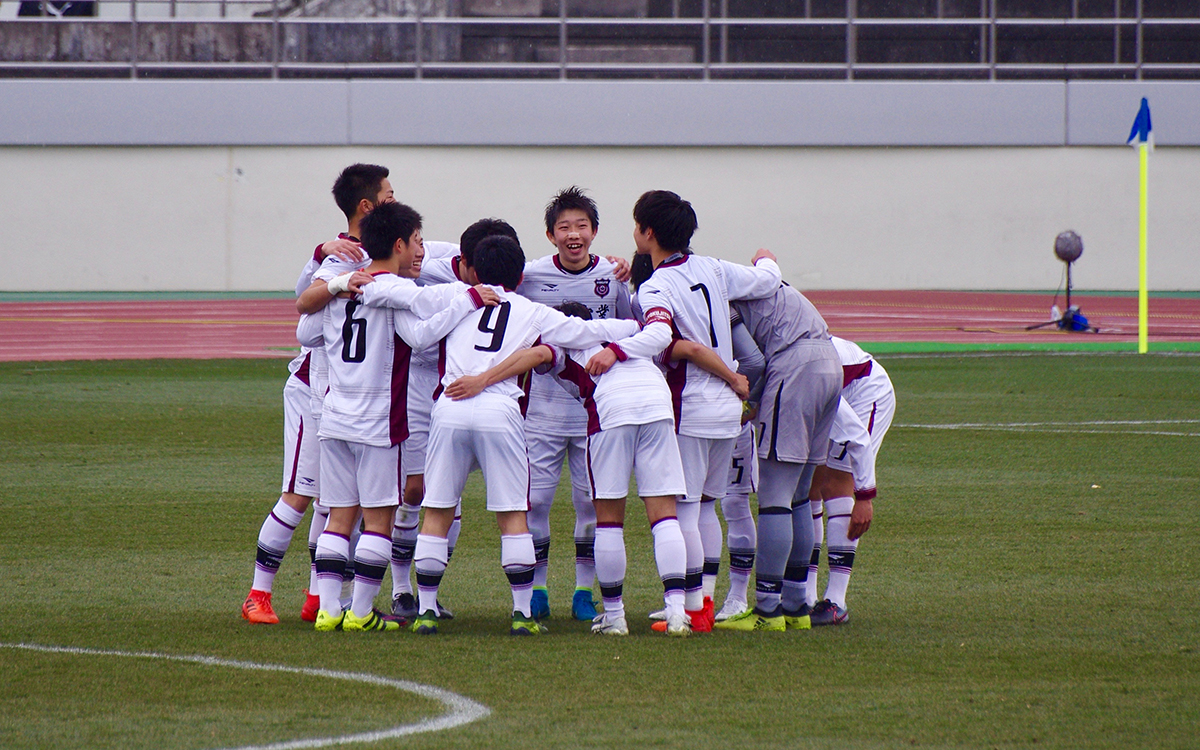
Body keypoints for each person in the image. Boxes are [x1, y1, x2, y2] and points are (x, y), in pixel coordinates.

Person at [403, 234, 639, 636]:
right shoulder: (533, 310)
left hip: (449, 406)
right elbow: (592, 331)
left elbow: (414, 325)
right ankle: (522, 614)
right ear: (521, 274)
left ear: (474, 270)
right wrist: (640, 323)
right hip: (501, 409)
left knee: (438, 509)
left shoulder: (457, 297)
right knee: (513, 514)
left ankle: (425, 610)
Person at [298, 201, 498, 633]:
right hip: (376, 420)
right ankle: (363, 613)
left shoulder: (346, 285)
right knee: (378, 518)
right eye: (418, 242)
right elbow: (423, 333)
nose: (421, 251)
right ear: (399, 245)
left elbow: (305, 333)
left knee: (339, 515)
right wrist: (467, 300)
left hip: (334, 415)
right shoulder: (391, 290)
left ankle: (330, 609)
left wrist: (335, 291)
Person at [587, 190, 781, 633]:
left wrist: (617, 351)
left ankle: (693, 608)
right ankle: (705, 602)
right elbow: (766, 281)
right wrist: (767, 259)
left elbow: (667, 339)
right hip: (728, 408)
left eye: (636, 224)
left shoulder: (657, 285)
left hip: (693, 402)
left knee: (687, 511)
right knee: (709, 507)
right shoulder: (712, 267)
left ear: (648, 233)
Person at [443, 300, 694, 636]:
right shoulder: (623, 327)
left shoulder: (558, 342)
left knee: (608, 520)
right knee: (664, 515)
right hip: (657, 404)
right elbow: (660, 335)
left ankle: (616, 616)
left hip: (611, 409)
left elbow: (534, 356)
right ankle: (677, 612)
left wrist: (484, 378)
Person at [240, 163, 385, 625]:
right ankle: (257, 595)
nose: (394, 199)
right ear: (368, 205)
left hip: (348, 397)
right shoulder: (341, 257)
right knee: (300, 496)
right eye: (389, 193)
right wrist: (329, 266)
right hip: (313, 393)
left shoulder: (380, 251)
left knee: (341, 502)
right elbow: (304, 311)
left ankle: (319, 598)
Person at [387, 218, 521, 619]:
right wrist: (322, 253)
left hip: (465, 392)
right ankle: (400, 589)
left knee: (450, 495)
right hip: (416, 386)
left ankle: (429, 593)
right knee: (414, 490)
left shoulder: (505, 279)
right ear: (467, 263)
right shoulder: (428, 266)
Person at [514, 186, 635, 622]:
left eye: (581, 226)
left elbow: (633, 326)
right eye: (564, 227)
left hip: (594, 413)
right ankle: (538, 588)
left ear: (595, 232)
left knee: (591, 506)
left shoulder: (613, 276)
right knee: (536, 504)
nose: (573, 234)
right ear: (550, 235)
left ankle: (584, 591)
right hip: (542, 412)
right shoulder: (529, 277)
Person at [713, 281, 842, 632]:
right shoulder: (745, 279)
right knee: (799, 495)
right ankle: (796, 606)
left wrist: (749, 403)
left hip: (795, 366)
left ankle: (768, 611)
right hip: (829, 361)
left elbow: (754, 361)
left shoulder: (710, 290)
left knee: (774, 497)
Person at [803, 335, 894, 625]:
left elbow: (857, 438)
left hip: (864, 392)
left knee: (835, 482)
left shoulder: (811, 368)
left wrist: (865, 496)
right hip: (831, 387)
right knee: (809, 485)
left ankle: (835, 601)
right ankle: (805, 595)